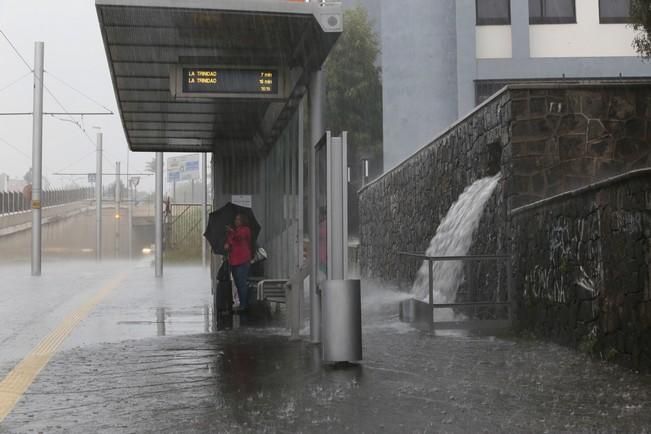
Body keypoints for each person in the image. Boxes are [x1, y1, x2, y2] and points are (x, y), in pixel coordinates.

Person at [224, 214, 252, 312]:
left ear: (243, 220)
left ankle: (244, 305)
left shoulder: (245, 230)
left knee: (242, 283)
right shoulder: (232, 232)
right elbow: (230, 242)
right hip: (233, 261)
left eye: (239, 219)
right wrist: (227, 245)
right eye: (235, 219)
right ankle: (242, 303)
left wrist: (232, 232)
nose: (236, 221)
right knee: (237, 283)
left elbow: (240, 237)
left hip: (243, 261)